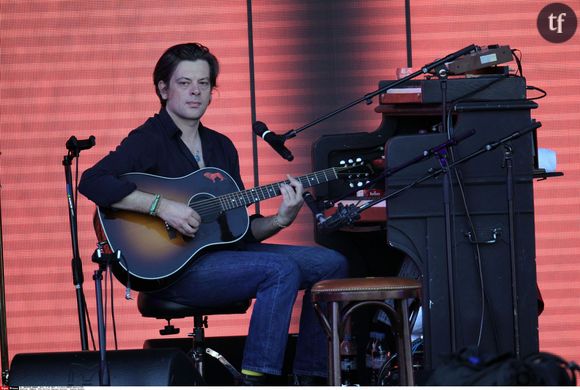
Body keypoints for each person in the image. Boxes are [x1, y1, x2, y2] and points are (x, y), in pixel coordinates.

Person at [79, 42, 348, 385]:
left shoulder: (221, 146)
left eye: (203, 84)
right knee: (279, 269)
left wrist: (282, 219)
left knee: (332, 264)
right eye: (184, 82)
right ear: (163, 89)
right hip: (173, 271)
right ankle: (256, 378)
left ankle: (312, 377)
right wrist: (161, 207)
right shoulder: (149, 139)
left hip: (222, 259)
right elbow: (92, 182)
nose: (195, 92)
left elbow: (238, 233)